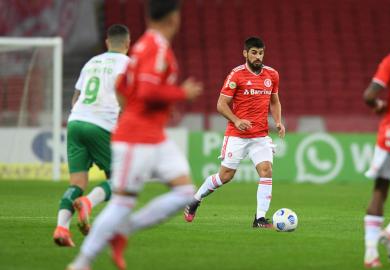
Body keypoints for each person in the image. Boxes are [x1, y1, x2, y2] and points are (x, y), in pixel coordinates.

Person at [67, 0, 202, 269]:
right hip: (137, 137)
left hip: (152, 134)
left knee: (186, 191)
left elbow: (122, 86)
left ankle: (123, 230)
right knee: (122, 202)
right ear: (174, 19)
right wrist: (180, 94)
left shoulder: (141, 47)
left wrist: (138, 111)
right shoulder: (156, 48)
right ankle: (81, 262)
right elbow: (149, 91)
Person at [184, 37, 285, 228]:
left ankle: (260, 219)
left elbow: (275, 101)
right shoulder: (236, 75)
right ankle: (195, 199)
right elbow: (221, 105)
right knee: (226, 176)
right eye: (254, 52)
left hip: (260, 135)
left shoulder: (272, 75)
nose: (258, 56)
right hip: (237, 135)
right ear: (245, 53)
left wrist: (278, 121)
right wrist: (237, 120)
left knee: (266, 170)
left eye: (261, 52)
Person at [53, 24, 131, 247]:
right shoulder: (128, 64)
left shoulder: (91, 63)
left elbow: (75, 99)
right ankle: (87, 203)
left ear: (107, 43)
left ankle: (62, 228)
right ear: (128, 43)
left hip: (76, 121)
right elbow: (129, 101)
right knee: (120, 179)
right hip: (102, 124)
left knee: (77, 182)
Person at [363, 51, 390, 268]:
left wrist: (380, 106)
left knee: (380, 190)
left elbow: (369, 96)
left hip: (389, 136)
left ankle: (371, 255)